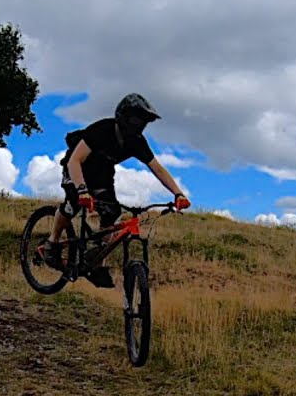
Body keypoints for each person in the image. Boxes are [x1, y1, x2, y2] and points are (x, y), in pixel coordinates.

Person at [41, 93, 190, 287]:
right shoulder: (102, 130)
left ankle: (97, 264)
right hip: (77, 169)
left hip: (102, 176)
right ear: (123, 116)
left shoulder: (137, 142)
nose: (139, 125)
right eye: (137, 119)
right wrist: (81, 190)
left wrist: (178, 193)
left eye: (143, 121)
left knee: (112, 214)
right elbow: (75, 161)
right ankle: (51, 244)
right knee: (73, 205)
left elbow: (157, 168)